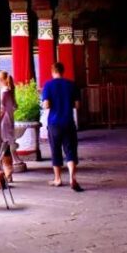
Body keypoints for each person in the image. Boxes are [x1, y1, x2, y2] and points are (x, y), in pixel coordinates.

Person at [41, 62, 83, 191]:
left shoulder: (48, 85)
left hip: (54, 123)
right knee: (70, 150)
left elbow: (46, 105)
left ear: (52, 71)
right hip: (68, 122)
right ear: (63, 71)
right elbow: (77, 106)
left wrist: (47, 104)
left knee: (56, 150)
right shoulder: (71, 85)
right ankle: (72, 177)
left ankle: (58, 179)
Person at [0, 71, 17, 181]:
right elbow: (15, 106)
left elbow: (1, 109)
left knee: (4, 148)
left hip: (3, 122)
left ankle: (8, 171)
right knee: (7, 148)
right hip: (9, 120)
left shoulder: (4, 92)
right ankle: (8, 172)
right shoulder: (10, 91)